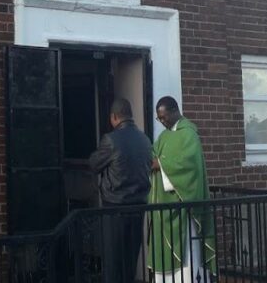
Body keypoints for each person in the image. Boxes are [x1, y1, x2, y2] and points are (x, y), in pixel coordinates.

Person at [147, 96, 216, 282]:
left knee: (186, 260)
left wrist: (160, 164)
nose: (162, 121)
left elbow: (189, 166)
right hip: (163, 208)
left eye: (164, 117)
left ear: (175, 110)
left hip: (182, 208)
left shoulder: (189, 133)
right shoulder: (164, 136)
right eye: (159, 118)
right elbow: (153, 155)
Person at [89, 98, 153, 283]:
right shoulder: (144, 139)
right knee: (129, 262)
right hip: (138, 207)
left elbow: (94, 164)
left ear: (114, 117)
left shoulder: (110, 140)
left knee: (113, 263)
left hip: (115, 208)